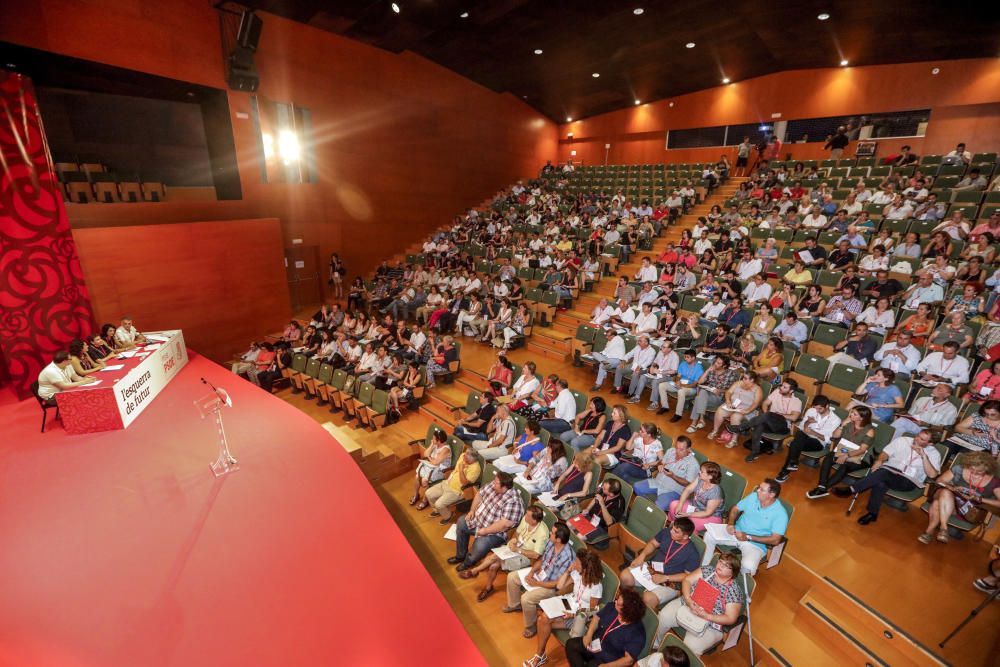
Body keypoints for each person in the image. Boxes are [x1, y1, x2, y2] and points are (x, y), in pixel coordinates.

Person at [833, 429, 942, 525]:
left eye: (922, 439)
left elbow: (932, 475)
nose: (917, 439)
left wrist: (924, 456)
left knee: (882, 474)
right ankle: (872, 513)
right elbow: (885, 453)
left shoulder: (934, 454)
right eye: (918, 435)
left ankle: (851, 489)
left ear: (930, 444)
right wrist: (880, 460)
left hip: (908, 480)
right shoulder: (903, 440)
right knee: (881, 482)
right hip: (889, 470)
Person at [524, 550, 605, 667]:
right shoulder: (577, 574)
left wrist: (574, 614)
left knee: (544, 622)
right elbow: (560, 586)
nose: (574, 563)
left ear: (586, 568)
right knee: (543, 619)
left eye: (577, 562)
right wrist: (568, 571)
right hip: (569, 605)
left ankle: (544, 655)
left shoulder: (596, 586)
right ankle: (540, 655)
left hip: (580, 616)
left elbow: (593, 610)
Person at [653, 552, 745, 655]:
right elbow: (687, 580)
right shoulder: (708, 570)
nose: (720, 565)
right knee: (664, 616)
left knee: (690, 647)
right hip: (688, 604)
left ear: (733, 572)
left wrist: (707, 616)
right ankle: (656, 645)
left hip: (711, 622)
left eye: (726, 565)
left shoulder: (734, 591)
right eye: (720, 561)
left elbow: (730, 618)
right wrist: (688, 600)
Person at [460, 505, 548, 602]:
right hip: (515, 548)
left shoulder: (543, 533)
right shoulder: (526, 519)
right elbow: (518, 533)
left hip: (525, 557)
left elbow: (536, 555)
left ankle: (475, 571)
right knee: (493, 565)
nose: (525, 516)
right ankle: (488, 588)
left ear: (534, 521)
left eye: (528, 515)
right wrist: (514, 539)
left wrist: (518, 550)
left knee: (494, 558)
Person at [504, 522, 576, 638]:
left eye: (552, 533)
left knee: (526, 598)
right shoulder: (550, 543)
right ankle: (514, 604)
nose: (549, 534)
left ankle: (531, 625)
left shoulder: (568, 557)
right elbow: (542, 560)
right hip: (540, 575)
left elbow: (557, 584)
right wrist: (532, 572)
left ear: (558, 539)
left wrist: (537, 583)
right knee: (512, 577)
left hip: (551, 587)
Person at [700, 479, 789, 574]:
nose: (757, 490)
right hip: (735, 532)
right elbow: (735, 509)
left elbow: (775, 540)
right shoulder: (753, 497)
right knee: (709, 535)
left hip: (755, 544)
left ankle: (734, 585)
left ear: (771, 495)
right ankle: (704, 569)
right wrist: (730, 524)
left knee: (748, 567)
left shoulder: (780, 514)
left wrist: (748, 537)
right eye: (759, 487)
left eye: (761, 490)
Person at [920, 451, 1000, 545]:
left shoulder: (994, 482)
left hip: (967, 509)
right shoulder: (959, 469)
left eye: (979, 472)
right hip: (949, 498)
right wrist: (952, 488)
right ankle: (943, 528)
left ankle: (929, 532)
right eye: (971, 469)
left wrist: (980, 499)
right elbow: (939, 481)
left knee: (937, 503)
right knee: (945, 492)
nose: (974, 473)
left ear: (987, 469)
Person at [449, 471, 525, 570]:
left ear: (504, 488)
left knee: (479, 546)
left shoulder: (514, 502)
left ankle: (468, 562)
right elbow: (479, 494)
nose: (493, 484)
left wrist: (485, 531)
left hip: (494, 533)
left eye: (496, 483)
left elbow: (503, 525)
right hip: (479, 520)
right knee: (461, 522)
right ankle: (460, 556)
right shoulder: (494, 485)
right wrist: (472, 510)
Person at [620, 517, 701, 609]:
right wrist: (641, 556)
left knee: (648, 598)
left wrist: (665, 578)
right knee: (624, 576)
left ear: (685, 536)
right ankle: (625, 602)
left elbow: (688, 576)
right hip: (652, 569)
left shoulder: (692, 553)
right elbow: (653, 544)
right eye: (672, 528)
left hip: (670, 581)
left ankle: (642, 618)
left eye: (676, 531)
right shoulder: (667, 532)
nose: (671, 532)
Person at [805, 406, 876, 499]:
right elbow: (834, 435)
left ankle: (822, 489)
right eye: (851, 412)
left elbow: (862, 450)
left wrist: (846, 456)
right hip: (844, 450)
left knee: (845, 466)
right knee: (828, 458)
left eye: (854, 414)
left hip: (862, 457)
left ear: (861, 418)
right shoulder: (849, 423)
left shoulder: (869, 431)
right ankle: (822, 486)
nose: (850, 415)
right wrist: (842, 425)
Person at [566, 589, 647, 667]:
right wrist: (589, 635)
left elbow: (628, 660)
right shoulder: (612, 607)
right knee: (571, 645)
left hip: (609, 659)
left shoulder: (637, 633)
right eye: (617, 600)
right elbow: (597, 618)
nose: (615, 602)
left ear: (627, 611)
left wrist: (607, 666)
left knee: (592, 665)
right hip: (594, 643)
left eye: (618, 604)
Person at [733, 379, 804, 462]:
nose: (781, 388)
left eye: (785, 387)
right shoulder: (776, 392)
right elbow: (765, 403)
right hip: (769, 422)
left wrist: (775, 415)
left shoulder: (797, 401)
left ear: (791, 391)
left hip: (783, 426)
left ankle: (741, 427)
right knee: (760, 426)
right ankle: (755, 452)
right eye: (781, 385)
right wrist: (767, 415)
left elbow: (794, 417)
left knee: (767, 415)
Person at [633, 436, 700, 510]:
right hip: (657, 482)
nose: (677, 451)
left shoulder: (693, 464)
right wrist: (660, 465)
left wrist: (673, 476)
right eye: (676, 447)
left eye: (681, 449)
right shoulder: (671, 451)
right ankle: (648, 508)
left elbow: (688, 483)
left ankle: (653, 512)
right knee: (637, 486)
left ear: (689, 449)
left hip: (672, 490)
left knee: (659, 505)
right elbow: (661, 462)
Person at [423, 446, 481, 523]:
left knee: (439, 504)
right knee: (428, 493)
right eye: (464, 455)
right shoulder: (463, 456)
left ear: (471, 460)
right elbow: (456, 468)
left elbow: (464, 483)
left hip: (457, 491)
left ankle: (448, 515)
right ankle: (437, 511)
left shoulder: (476, 468)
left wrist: (461, 470)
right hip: (447, 483)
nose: (463, 457)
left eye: (466, 457)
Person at [668, 462, 725, 533]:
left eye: (702, 472)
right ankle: (673, 526)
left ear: (710, 476)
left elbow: (707, 512)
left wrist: (688, 514)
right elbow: (687, 490)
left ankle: (687, 540)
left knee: (690, 524)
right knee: (674, 505)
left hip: (711, 516)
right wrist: (680, 505)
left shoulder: (716, 492)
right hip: (695, 507)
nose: (699, 472)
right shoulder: (700, 478)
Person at [709, 371, 763, 442]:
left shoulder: (757, 389)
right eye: (743, 377)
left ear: (752, 380)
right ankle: (715, 431)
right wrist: (728, 401)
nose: (743, 379)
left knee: (735, 416)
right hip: (733, 405)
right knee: (720, 410)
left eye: (745, 378)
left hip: (746, 409)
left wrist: (748, 410)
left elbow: (756, 403)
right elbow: (729, 392)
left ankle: (734, 440)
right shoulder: (738, 383)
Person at [890, 384, 959, 440]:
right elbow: (910, 414)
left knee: (901, 422)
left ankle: (886, 442)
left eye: (939, 389)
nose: (934, 389)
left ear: (947, 395)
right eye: (935, 387)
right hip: (913, 425)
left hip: (929, 431)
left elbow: (944, 429)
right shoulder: (922, 399)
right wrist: (903, 415)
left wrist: (926, 425)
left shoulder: (951, 409)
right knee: (901, 425)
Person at [410, 429, 452, 508]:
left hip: (441, 471)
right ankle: (416, 495)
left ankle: (425, 500)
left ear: (439, 441)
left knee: (424, 481)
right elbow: (426, 454)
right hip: (431, 467)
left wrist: (429, 457)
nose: (432, 439)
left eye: (434, 438)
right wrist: (432, 445)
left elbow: (436, 462)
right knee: (417, 476)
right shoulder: (435, 444)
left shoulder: (446, 449)